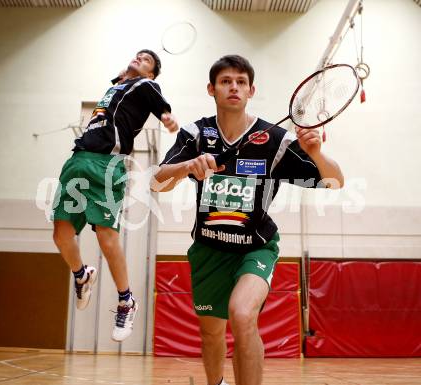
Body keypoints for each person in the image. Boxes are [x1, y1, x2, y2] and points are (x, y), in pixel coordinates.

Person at [152, 55, 343, 385]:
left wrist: (316, 154)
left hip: (256, 248)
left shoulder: (275, 141)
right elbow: (158, 182)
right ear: (212, 89)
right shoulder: (196, 133)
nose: (234, 87)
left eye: (241, 82)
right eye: (226, 81)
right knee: (212, 334)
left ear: (251, 90)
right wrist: (187, 166)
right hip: (208, 250)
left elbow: (334, 182)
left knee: (242, 315)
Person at [52, 49, 178, 342]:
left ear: (151, 74)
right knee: (61, 235)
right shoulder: (115, 87)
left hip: (106, 165)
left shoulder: (145, 85)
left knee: (106, 237)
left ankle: (126, 300)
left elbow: (159, 103)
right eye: (137, 56)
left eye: (146, 60)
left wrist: (167, 116)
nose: (139, 59)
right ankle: (82, 275)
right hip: (78, 160)